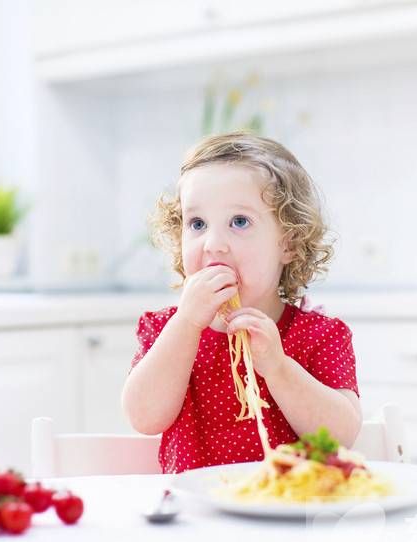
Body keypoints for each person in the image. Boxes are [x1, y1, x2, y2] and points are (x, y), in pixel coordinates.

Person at [121, 132, 361, 474]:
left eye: (239, 222)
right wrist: (186, 325)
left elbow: (340, 437)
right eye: (197, 224)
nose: (213, 244)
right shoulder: (165, 330)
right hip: (194, 506)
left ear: (289, 243)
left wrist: (278, 368)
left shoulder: (320, 336)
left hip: (288, 504)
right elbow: (144, 418)